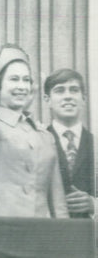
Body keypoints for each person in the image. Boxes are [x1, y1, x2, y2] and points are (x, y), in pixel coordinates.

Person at [0, 21, 67, 217]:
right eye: (14, 79)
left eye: (26, 80)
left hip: (38, 233)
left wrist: (65, 240)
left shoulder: (45, 136)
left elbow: (58, 202)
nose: (22, 86)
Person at [43, 68, 94, 217]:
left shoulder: (95, 143)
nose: (68, 97)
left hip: (90, 234)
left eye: (74, 90)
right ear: (47, 100)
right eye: (60, 91)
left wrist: (94, 204)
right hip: (48, 231)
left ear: (83, 99)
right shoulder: (37, 141)